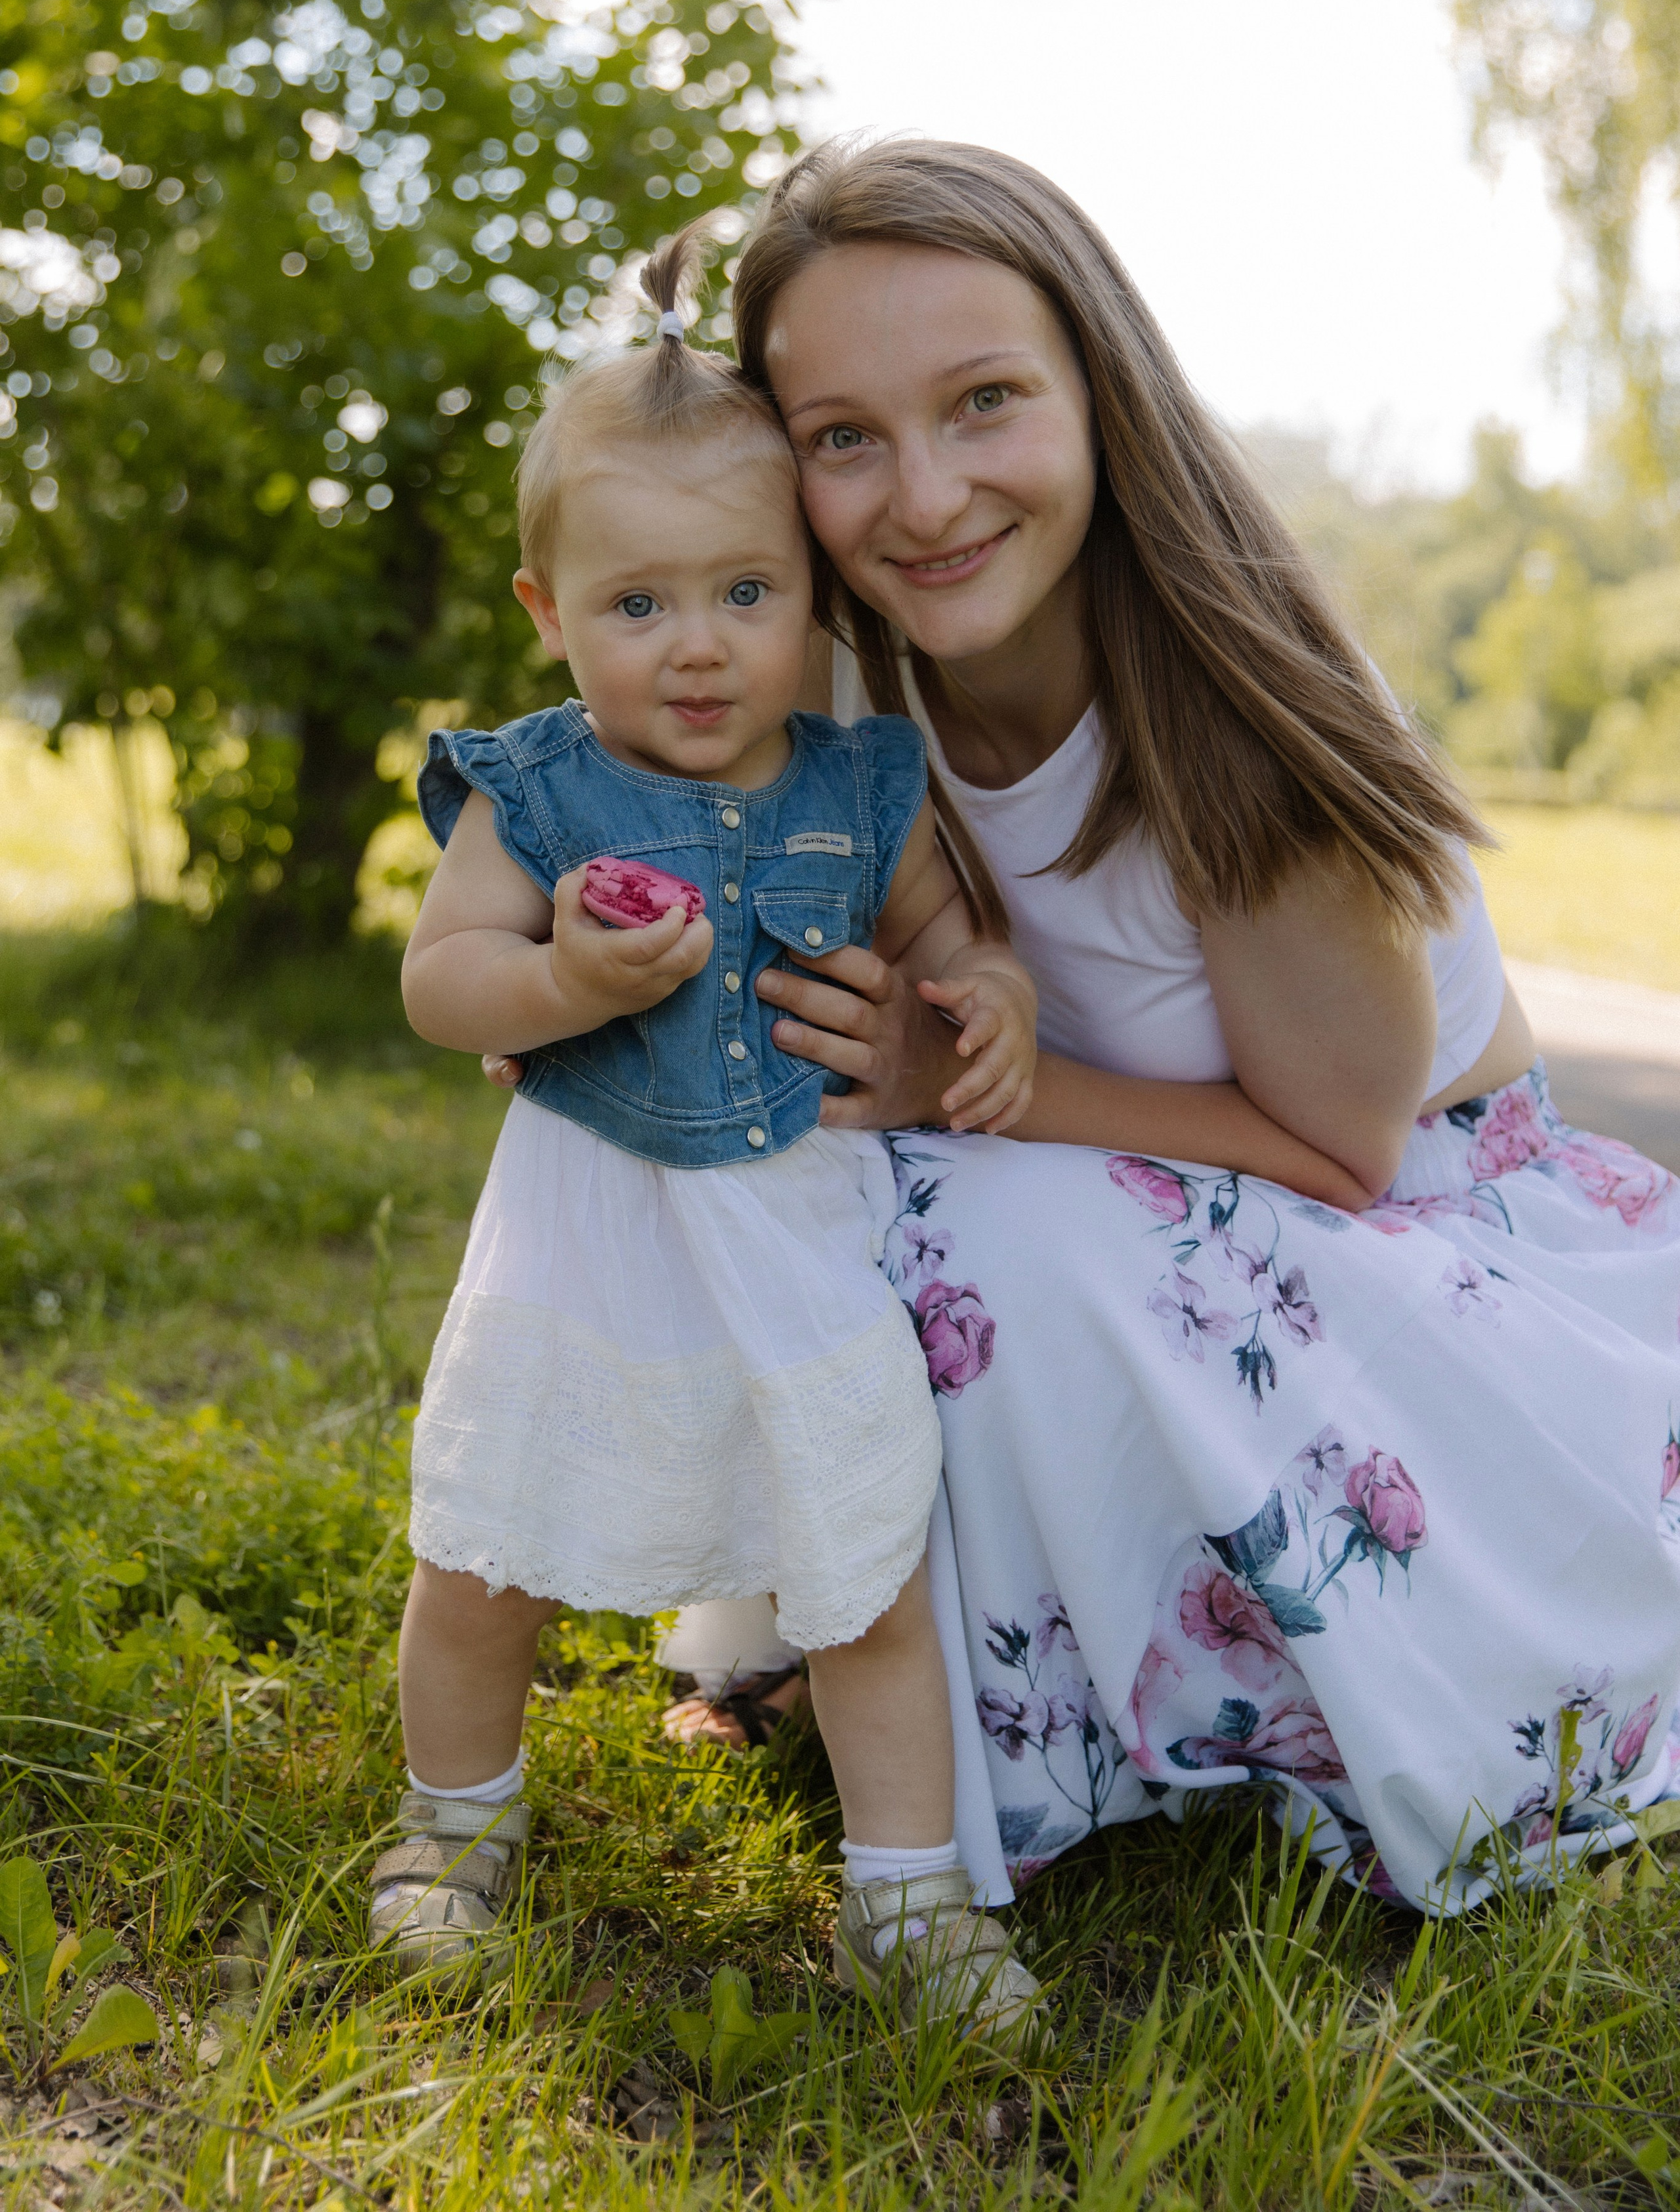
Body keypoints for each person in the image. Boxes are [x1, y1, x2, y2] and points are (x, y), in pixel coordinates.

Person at [503, 136, 1680, 1915]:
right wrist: (599, 1002)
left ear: (1099, 393)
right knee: (813, 1181)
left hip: (1417, 1244)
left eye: (985, 402)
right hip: (1121, 1199)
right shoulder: (812, 668)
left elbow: (1344, 1154)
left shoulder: (1232, 705)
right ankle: (873, 1645)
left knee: (979, 1226)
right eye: (844, 438)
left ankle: (1104, 1709)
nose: (926, 498)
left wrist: (972, 1086)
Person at [375, 225, 1043, 2035]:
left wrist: (988, 994)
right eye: (638, 606)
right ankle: (453, 1828)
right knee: (485, 1555)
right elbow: (443, 982)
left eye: (746, 592)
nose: (696, 647)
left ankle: (909, 1897)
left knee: (866, 1568)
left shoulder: (859, 786)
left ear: (814, 595)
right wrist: (562, 983)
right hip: (583, 1245)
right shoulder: (537, 789)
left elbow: (950, 935)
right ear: (549, 611)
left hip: (799, 1248)